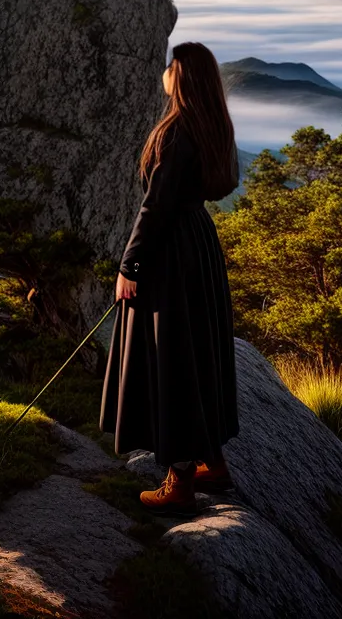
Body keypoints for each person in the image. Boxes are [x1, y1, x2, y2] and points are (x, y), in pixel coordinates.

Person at [100, 41, 240, 515]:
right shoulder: (213, 124)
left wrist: (129, 266)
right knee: (196, 349)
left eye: (169, 66)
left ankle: (179, 482)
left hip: (171, 252)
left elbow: (155, 205)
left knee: (171, 354)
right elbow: (225, 183)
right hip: (199, 244)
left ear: (180, 75)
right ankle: (213, 464)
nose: (163, 72)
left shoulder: (177, 130)